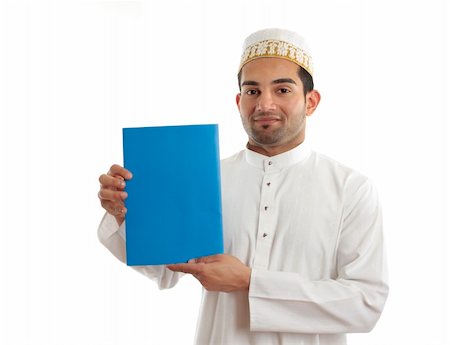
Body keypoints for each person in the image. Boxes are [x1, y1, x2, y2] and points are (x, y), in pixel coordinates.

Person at [97, 28, 389, 345]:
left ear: (311, 101)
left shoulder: (350, 188)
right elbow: (163, 271)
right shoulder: (205, 178)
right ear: (239, 101)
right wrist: (126, 212)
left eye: (282, 90)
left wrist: (250, 282)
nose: (265, 103)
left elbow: (365, 304)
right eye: (252, 91)